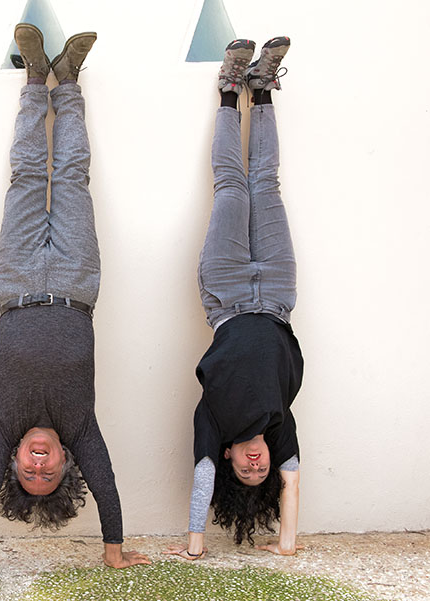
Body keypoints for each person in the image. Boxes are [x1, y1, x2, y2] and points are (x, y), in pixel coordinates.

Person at [0, 24, 151, 570]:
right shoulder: (80, 428)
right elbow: (106, 487)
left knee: (29, 176)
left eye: (28, 473)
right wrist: (114, 552)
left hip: (15, 282)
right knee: (73, 177)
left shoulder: (1, 426)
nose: (38, 467)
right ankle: (69, 82)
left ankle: (36, 80)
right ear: (66, 462)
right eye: (48, 474)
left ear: (11, 460)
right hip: (77, 282)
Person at [164, 38, 303, 561]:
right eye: (260, 471)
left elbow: (202, 477)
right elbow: (292, 481)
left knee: (231, 185)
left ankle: (229, 89)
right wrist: (286, 543)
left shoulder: (215, 425)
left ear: (228, 459)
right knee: (264, 184)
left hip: (226, 292)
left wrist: (195, 544)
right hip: (277, 293)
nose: (255, 465)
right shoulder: (279, 426)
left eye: (244, 470)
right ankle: (262, 89)